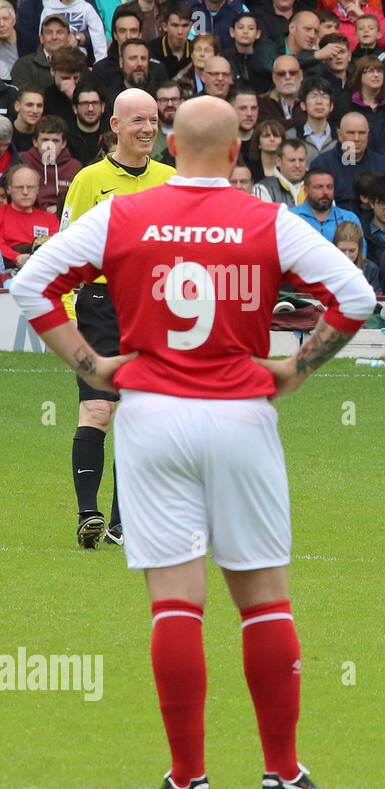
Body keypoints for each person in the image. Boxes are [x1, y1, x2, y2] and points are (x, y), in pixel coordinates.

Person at [11, 94, 376, 789]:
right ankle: (283, 772)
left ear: (171, 146)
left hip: (152, 418)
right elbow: (355, 296)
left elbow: (30, 286)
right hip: (241, 416)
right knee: (265, 599)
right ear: (238, 153)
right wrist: (297, 368)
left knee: (175, 603)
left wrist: (91, 365)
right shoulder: (267, 216)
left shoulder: (122, 213)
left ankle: (188, 778)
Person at [55, 89, 174, 550]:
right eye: (138, 120)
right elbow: (64, 256)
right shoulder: (89, 181)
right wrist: (67, 320)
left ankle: (123, 524)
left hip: (153, 306)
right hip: (102, 306)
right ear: (116, 125)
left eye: (154, 119)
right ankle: (89, 514)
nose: (148, 128)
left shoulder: (171, 179)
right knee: (99, 409)